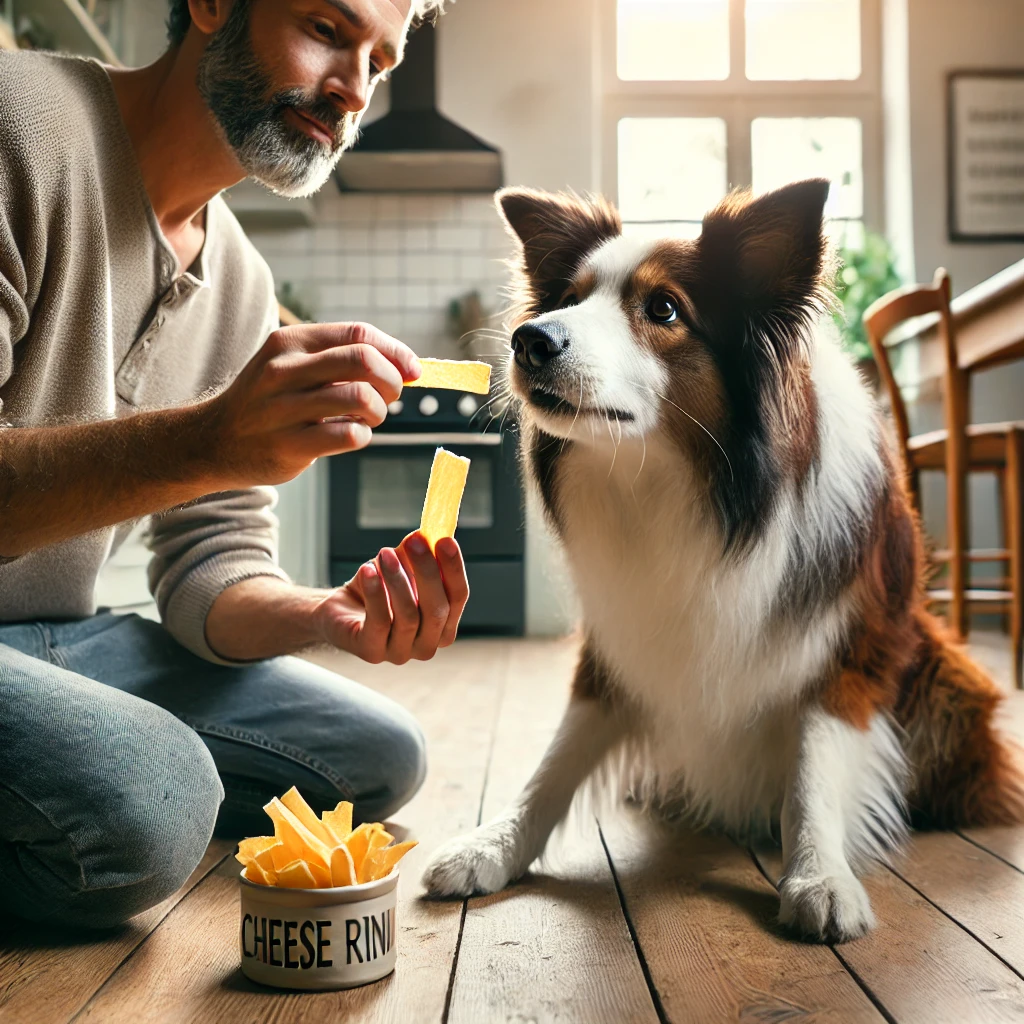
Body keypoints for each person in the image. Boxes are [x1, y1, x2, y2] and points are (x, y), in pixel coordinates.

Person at [0, 0, 468, 930]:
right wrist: (207, 441)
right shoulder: (21, 127)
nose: (351, 92)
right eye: (328, 30)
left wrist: (325, 615)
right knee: (157, 798)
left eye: (380, 60)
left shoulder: (244, 283)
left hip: (54, 635)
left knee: (377, 755)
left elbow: (211, 567)